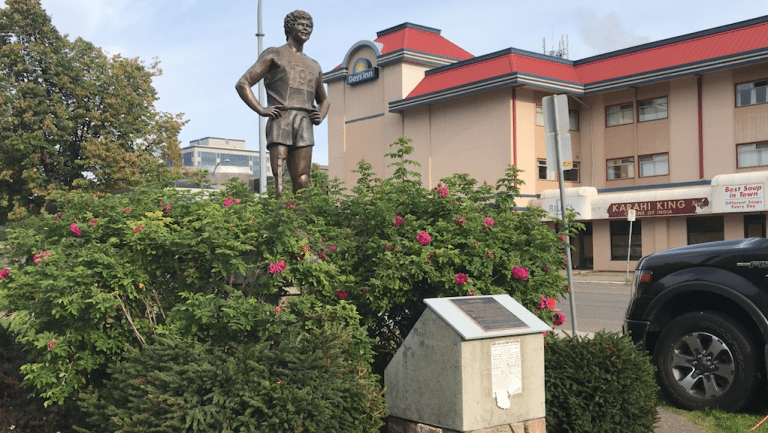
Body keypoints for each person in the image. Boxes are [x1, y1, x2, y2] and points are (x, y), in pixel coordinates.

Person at [235, 10, 329, 200]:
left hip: (304, 122)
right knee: (279, 179)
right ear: (289, 28)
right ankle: (279, 222)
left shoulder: (314, 65)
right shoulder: (274, 54)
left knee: (302, 180)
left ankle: (301, 222)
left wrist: (320, 114)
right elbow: (243, 83)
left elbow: (324, 99)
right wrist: (261, 109)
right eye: (301, 24)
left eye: (309, 26)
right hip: (281, 118)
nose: (306, 28)